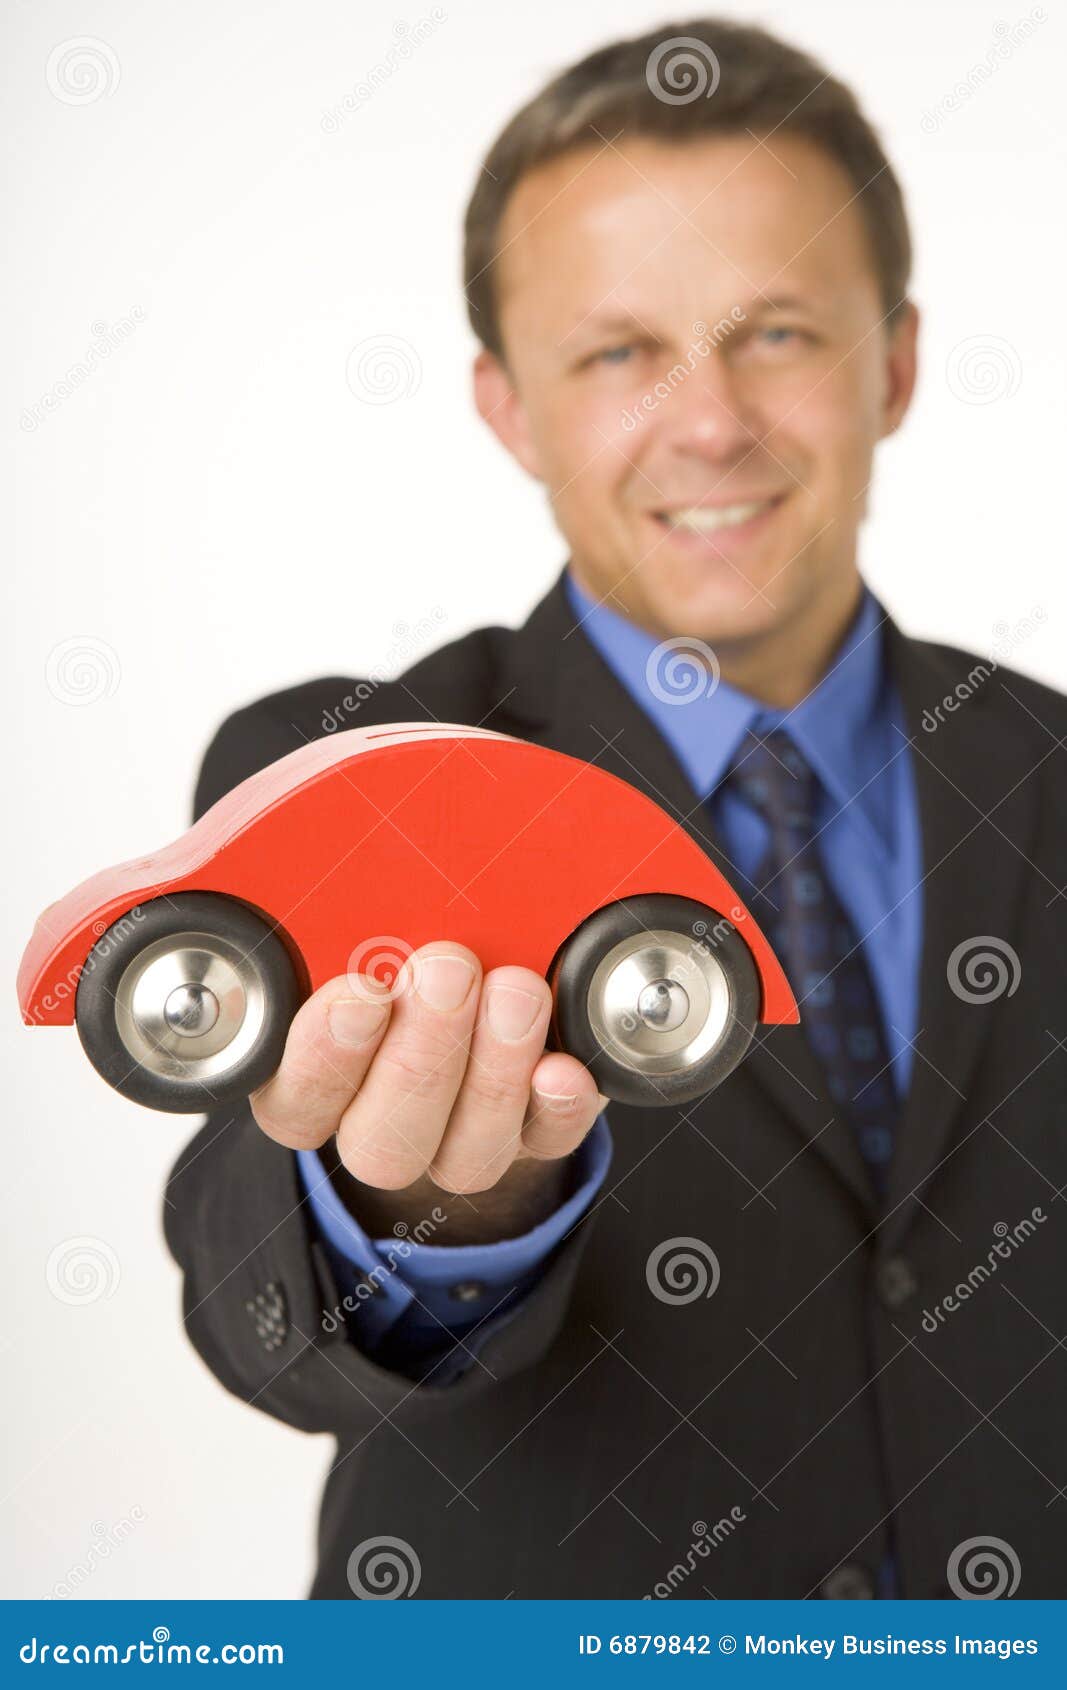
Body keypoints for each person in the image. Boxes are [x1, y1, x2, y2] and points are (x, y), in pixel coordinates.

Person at [165, 17, 1067, 1600]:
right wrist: (411, 1209)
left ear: (898, 364)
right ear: (511, 408)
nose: (710, 422)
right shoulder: (361, 773)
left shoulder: (1046, 767)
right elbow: (258, 1307)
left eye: (777, 331)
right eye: (619, 352)